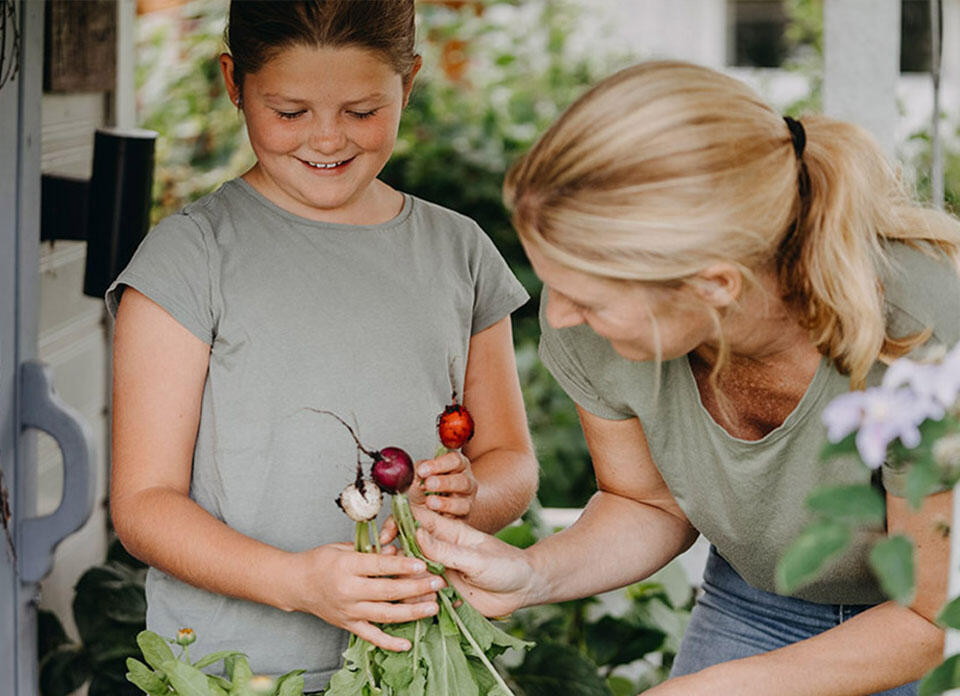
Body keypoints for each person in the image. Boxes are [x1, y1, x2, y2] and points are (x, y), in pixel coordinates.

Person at [414, 60, 960, 696]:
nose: (557, 317)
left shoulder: (926, 330)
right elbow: (646, 503)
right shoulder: (594, 334)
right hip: (760, 598)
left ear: (715, 285)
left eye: (588, 297)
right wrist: (533, 574)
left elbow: (928, 617)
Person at [106, 1, 537, 691]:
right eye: (290, 111)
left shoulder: (460, 253)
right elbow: (143, 505)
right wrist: (296, 582)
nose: (328, 138)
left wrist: (471, 496)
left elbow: (511, 463)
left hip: (420, 663)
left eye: (363, 112)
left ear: (410, 82)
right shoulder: (188, 259)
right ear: (233, 82)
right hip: (234, 674)